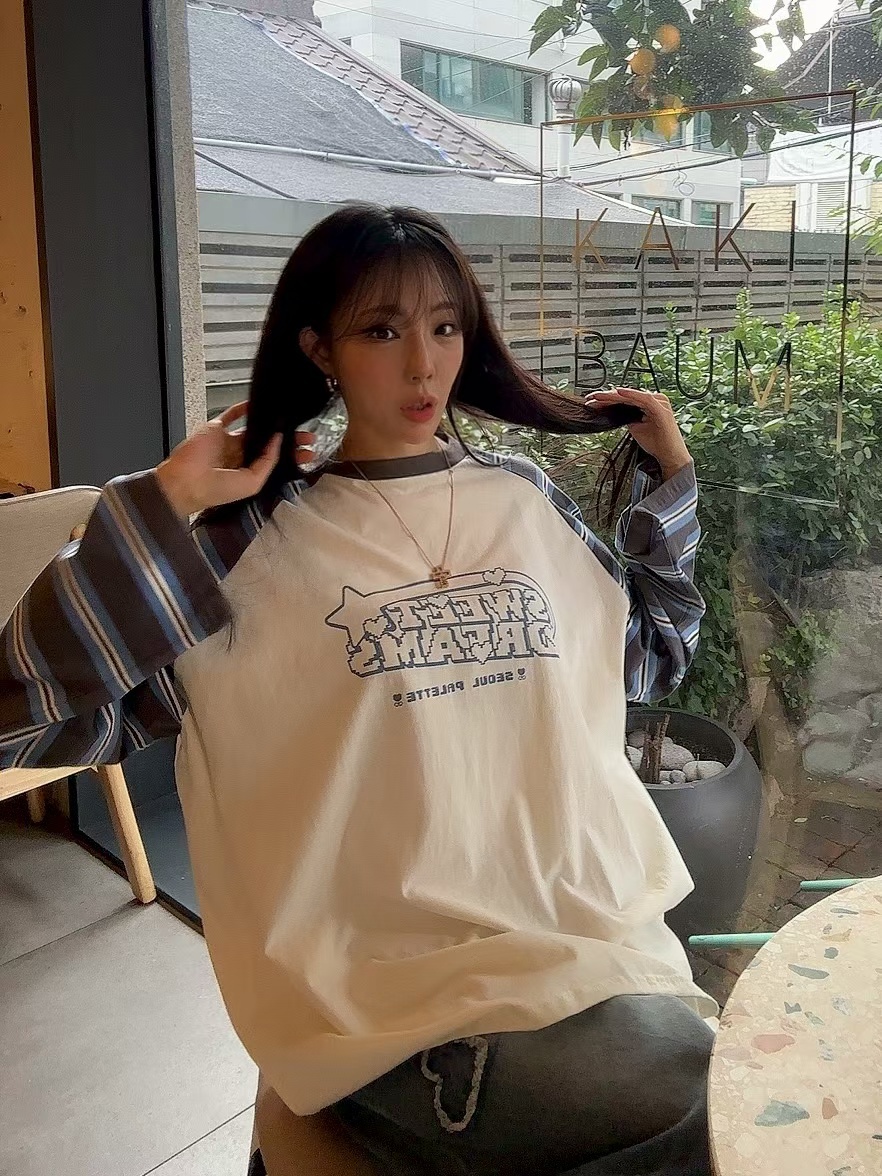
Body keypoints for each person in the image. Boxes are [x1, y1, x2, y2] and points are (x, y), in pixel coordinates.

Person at [0, 204, 717, 1175]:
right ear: (320, 349)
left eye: (445, 327)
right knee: (713, 1113)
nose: (423, 365)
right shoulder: (243, 548)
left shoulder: (524, 500)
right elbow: (25, 723)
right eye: (383, 330)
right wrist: (164, 507)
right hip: (388, 1006)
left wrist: (671, 482)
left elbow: (646, 659)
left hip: (596, 949)